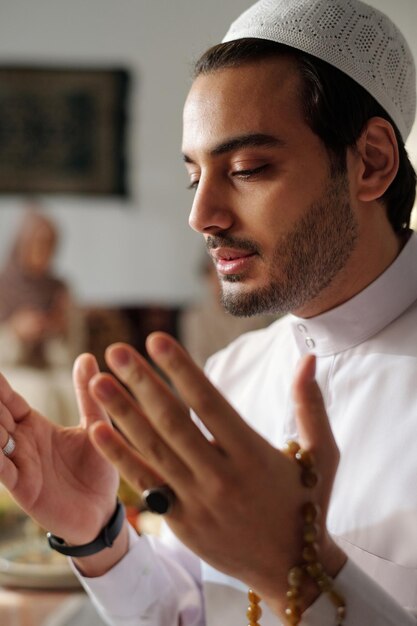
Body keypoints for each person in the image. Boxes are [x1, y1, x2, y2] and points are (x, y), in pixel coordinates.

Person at [0, 0, 417, 624]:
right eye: (196, 177)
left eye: (248, 169)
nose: (202, 217)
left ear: (373, 161)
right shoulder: (231, 374)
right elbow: (190, 609)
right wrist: (99, 535)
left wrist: (299, 573)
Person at [0, 208, 84, 424]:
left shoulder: (59, 290)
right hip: (10, 369)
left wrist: (59, 329)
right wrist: (15, 334)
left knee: (74, 390)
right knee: (40, 392)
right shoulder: (2, 286)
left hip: (50, 368)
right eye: (37, 243)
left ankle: (75, 455)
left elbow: (72, 355)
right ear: (21, 243)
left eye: (49, 245)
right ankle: (41, 456)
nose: (43, 251)